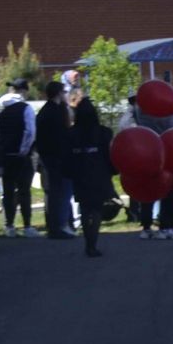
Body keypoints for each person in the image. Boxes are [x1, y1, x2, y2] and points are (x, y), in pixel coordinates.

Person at [65, 98, 116, 257]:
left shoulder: (71, 134)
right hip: (99, 174)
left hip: (80, 174)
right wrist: (112, 170)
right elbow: (110, 155)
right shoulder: (104, 132)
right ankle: (93, 242)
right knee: (97, 208)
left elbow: (66, 156)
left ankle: (89, 242)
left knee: (86, 208)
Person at [132, 88, 173, 239]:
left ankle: (147, 226)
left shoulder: (140, 110)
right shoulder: (167, 113)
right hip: (166, 154)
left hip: (147, 153)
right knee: (168, 191)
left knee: (149, 191)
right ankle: (166, 226)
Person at [0, 78, 37, 237]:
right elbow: (30, 132)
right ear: (24, 91)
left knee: (8, 191)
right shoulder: (25, 108)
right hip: (20, 156)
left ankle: (9, 226)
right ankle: (27, 226)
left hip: (4, 156)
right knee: (24, 191)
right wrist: (24, 150)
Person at [34, 81, 76, 238]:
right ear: (58, 93)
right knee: (58, 193)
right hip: (55, 157)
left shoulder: (49, 111)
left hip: (51, 157)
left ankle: (61, 224)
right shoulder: (53, 112)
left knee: (56, 193)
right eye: (63, 92)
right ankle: (58, 226)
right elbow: (59, 136)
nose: (65, 94)